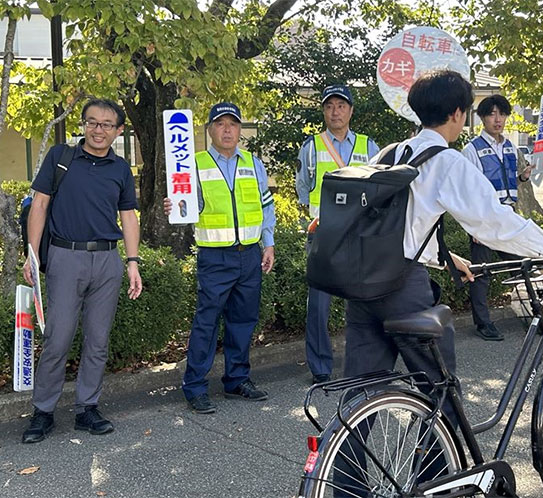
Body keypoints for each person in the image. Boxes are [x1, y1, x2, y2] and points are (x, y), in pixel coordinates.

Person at [332, 70, 543, 496]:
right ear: (457, 113)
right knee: (441, 392)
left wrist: (445, 257)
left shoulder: (389, 153)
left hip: (363, 290)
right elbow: (497, 226)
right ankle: (439, 486)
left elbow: (397, 228)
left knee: (359, 400)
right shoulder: (446, 160)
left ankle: (344, 488)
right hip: (404, 292)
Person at [21, 98, 142, 444]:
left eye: (106, 124)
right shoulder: (61, 157)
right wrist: (32, 255)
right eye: (92, 122)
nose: (98, 129)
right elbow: (40, 205)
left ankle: (87, 408)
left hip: (107, 259)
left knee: (98, 339)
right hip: (64, 256)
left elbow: (129, 217)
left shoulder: (121, 169)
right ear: (83, 125)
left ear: (118, 131)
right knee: (57, 337)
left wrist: (132, 262)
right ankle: (42, 411)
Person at [164, 102, 275, 414]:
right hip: (215, 257)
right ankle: (195, 386)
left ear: (240, 129)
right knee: (207, 322)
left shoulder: (254, 164)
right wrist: (175, 209)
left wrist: (269, 244)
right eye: (220, 124)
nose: (227, 130)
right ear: (210, 129)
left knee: (243, 320)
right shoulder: (194, 164)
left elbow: (266, 208)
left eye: (233, 124)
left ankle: (237, 379)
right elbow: (185, 208)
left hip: (250, 255)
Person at [295, 84, 379, 385]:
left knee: (363, 301)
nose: (335, 111)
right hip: (324, 235)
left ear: (351, 110)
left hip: (360, 236)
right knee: (318, 305)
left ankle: (363, 364)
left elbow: (378, 187)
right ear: (324, 111)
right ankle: (320, 369)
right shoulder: (312, 146)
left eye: (341, 105)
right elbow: (303, 187)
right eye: (329, 105)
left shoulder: (369, 147)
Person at [461, 94, 532, 341]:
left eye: (501, 113)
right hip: (484, 221)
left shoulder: (510, 146)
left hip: (507, 217)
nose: (497, 119)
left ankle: (532, 315)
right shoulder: (471, 150)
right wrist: (475, 228)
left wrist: (522, 178)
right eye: (491, 114)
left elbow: (508, 182)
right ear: (481, 117)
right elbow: (467, 192)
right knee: (481, 274)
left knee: (520, 265)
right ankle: (483, 323)